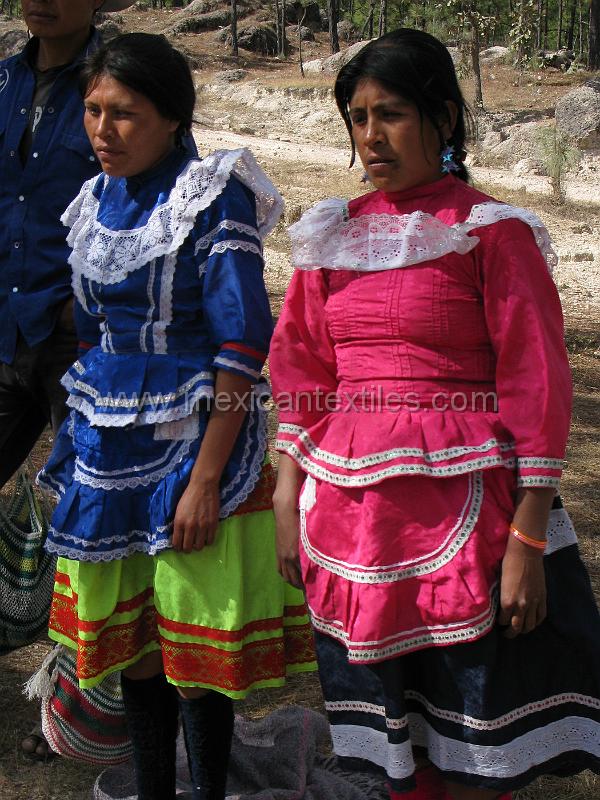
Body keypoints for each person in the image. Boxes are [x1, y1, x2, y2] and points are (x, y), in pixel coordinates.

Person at [270, 28, 600, 800]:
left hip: (468, 519)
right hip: (351, 521)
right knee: (395, 743)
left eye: (390, 113)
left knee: (472, 735)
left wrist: (527, 539)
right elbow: (302, 368)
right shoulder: (332, 237)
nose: (371, 135)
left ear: (444, 118)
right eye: (358, 117)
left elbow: (537, 383)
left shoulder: (491, 233)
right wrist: (287, 495)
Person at [37, 32, 315, 800]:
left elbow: (241, 344)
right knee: (135, 650)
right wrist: (77, 443)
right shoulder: (93, 203)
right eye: (93, 110)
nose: (103, 129)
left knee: (194, 654)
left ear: (171, 117)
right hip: (107, 448)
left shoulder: (211, 196)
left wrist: (205, 480)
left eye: (124, 113)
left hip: (193, 448)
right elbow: (91, 336)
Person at [0, 0, 136, 760]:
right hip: (3, 324)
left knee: (90, 520)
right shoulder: (3, 82)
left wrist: (86, 308)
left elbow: (154, 197)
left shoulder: (120, 86)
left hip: (80, 338)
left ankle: (78, 711)